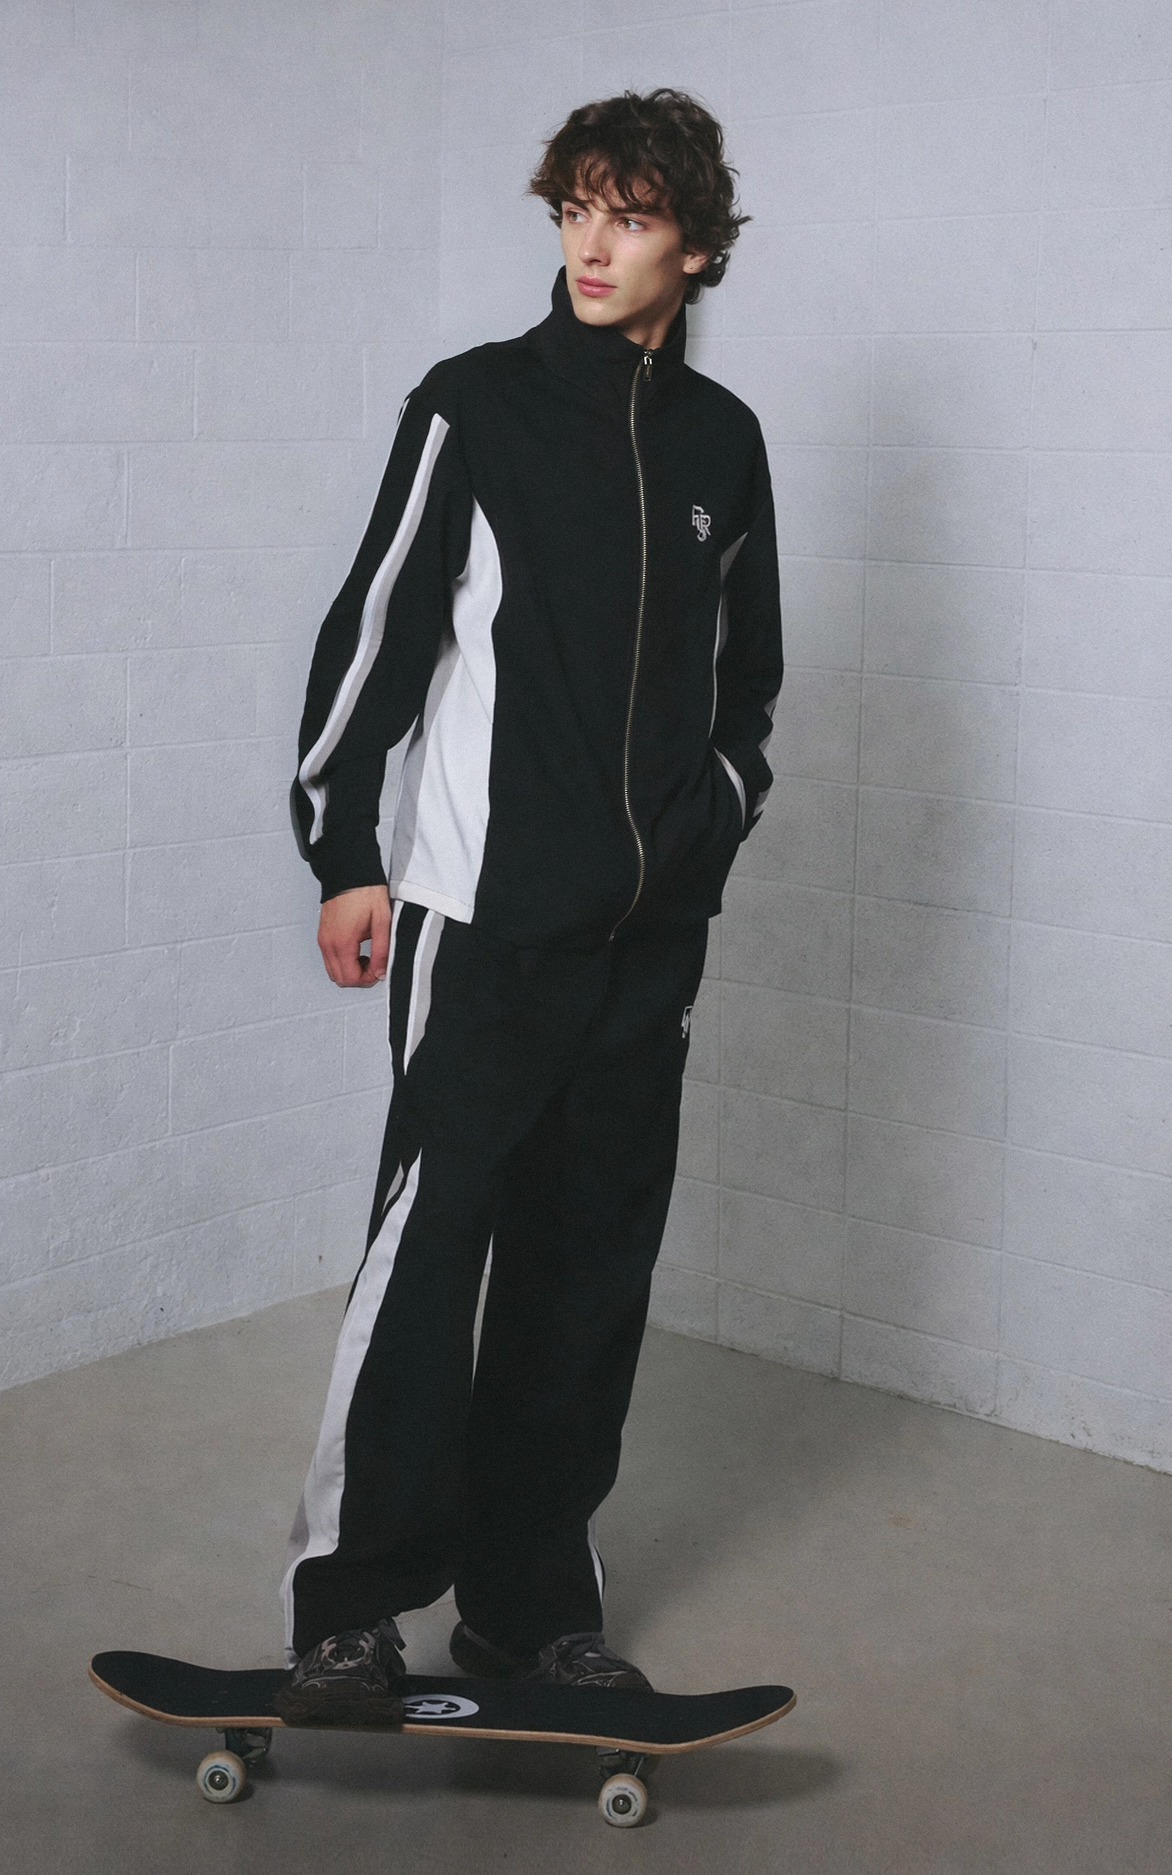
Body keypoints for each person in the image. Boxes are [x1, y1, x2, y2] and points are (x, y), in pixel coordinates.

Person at [275, 87, 783, 1726]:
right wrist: (344, 848)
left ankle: (529, 1609)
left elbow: (747, 686)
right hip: (479, 922)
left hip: (645, 944)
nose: (590, 243)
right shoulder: (475, 406)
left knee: (585, 1274)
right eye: (574, 208)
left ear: (694, 246)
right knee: (430, 1258)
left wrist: (706, 826)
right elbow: (376, 631)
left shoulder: (722, 446)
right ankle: (352, 1609)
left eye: (629, 215)